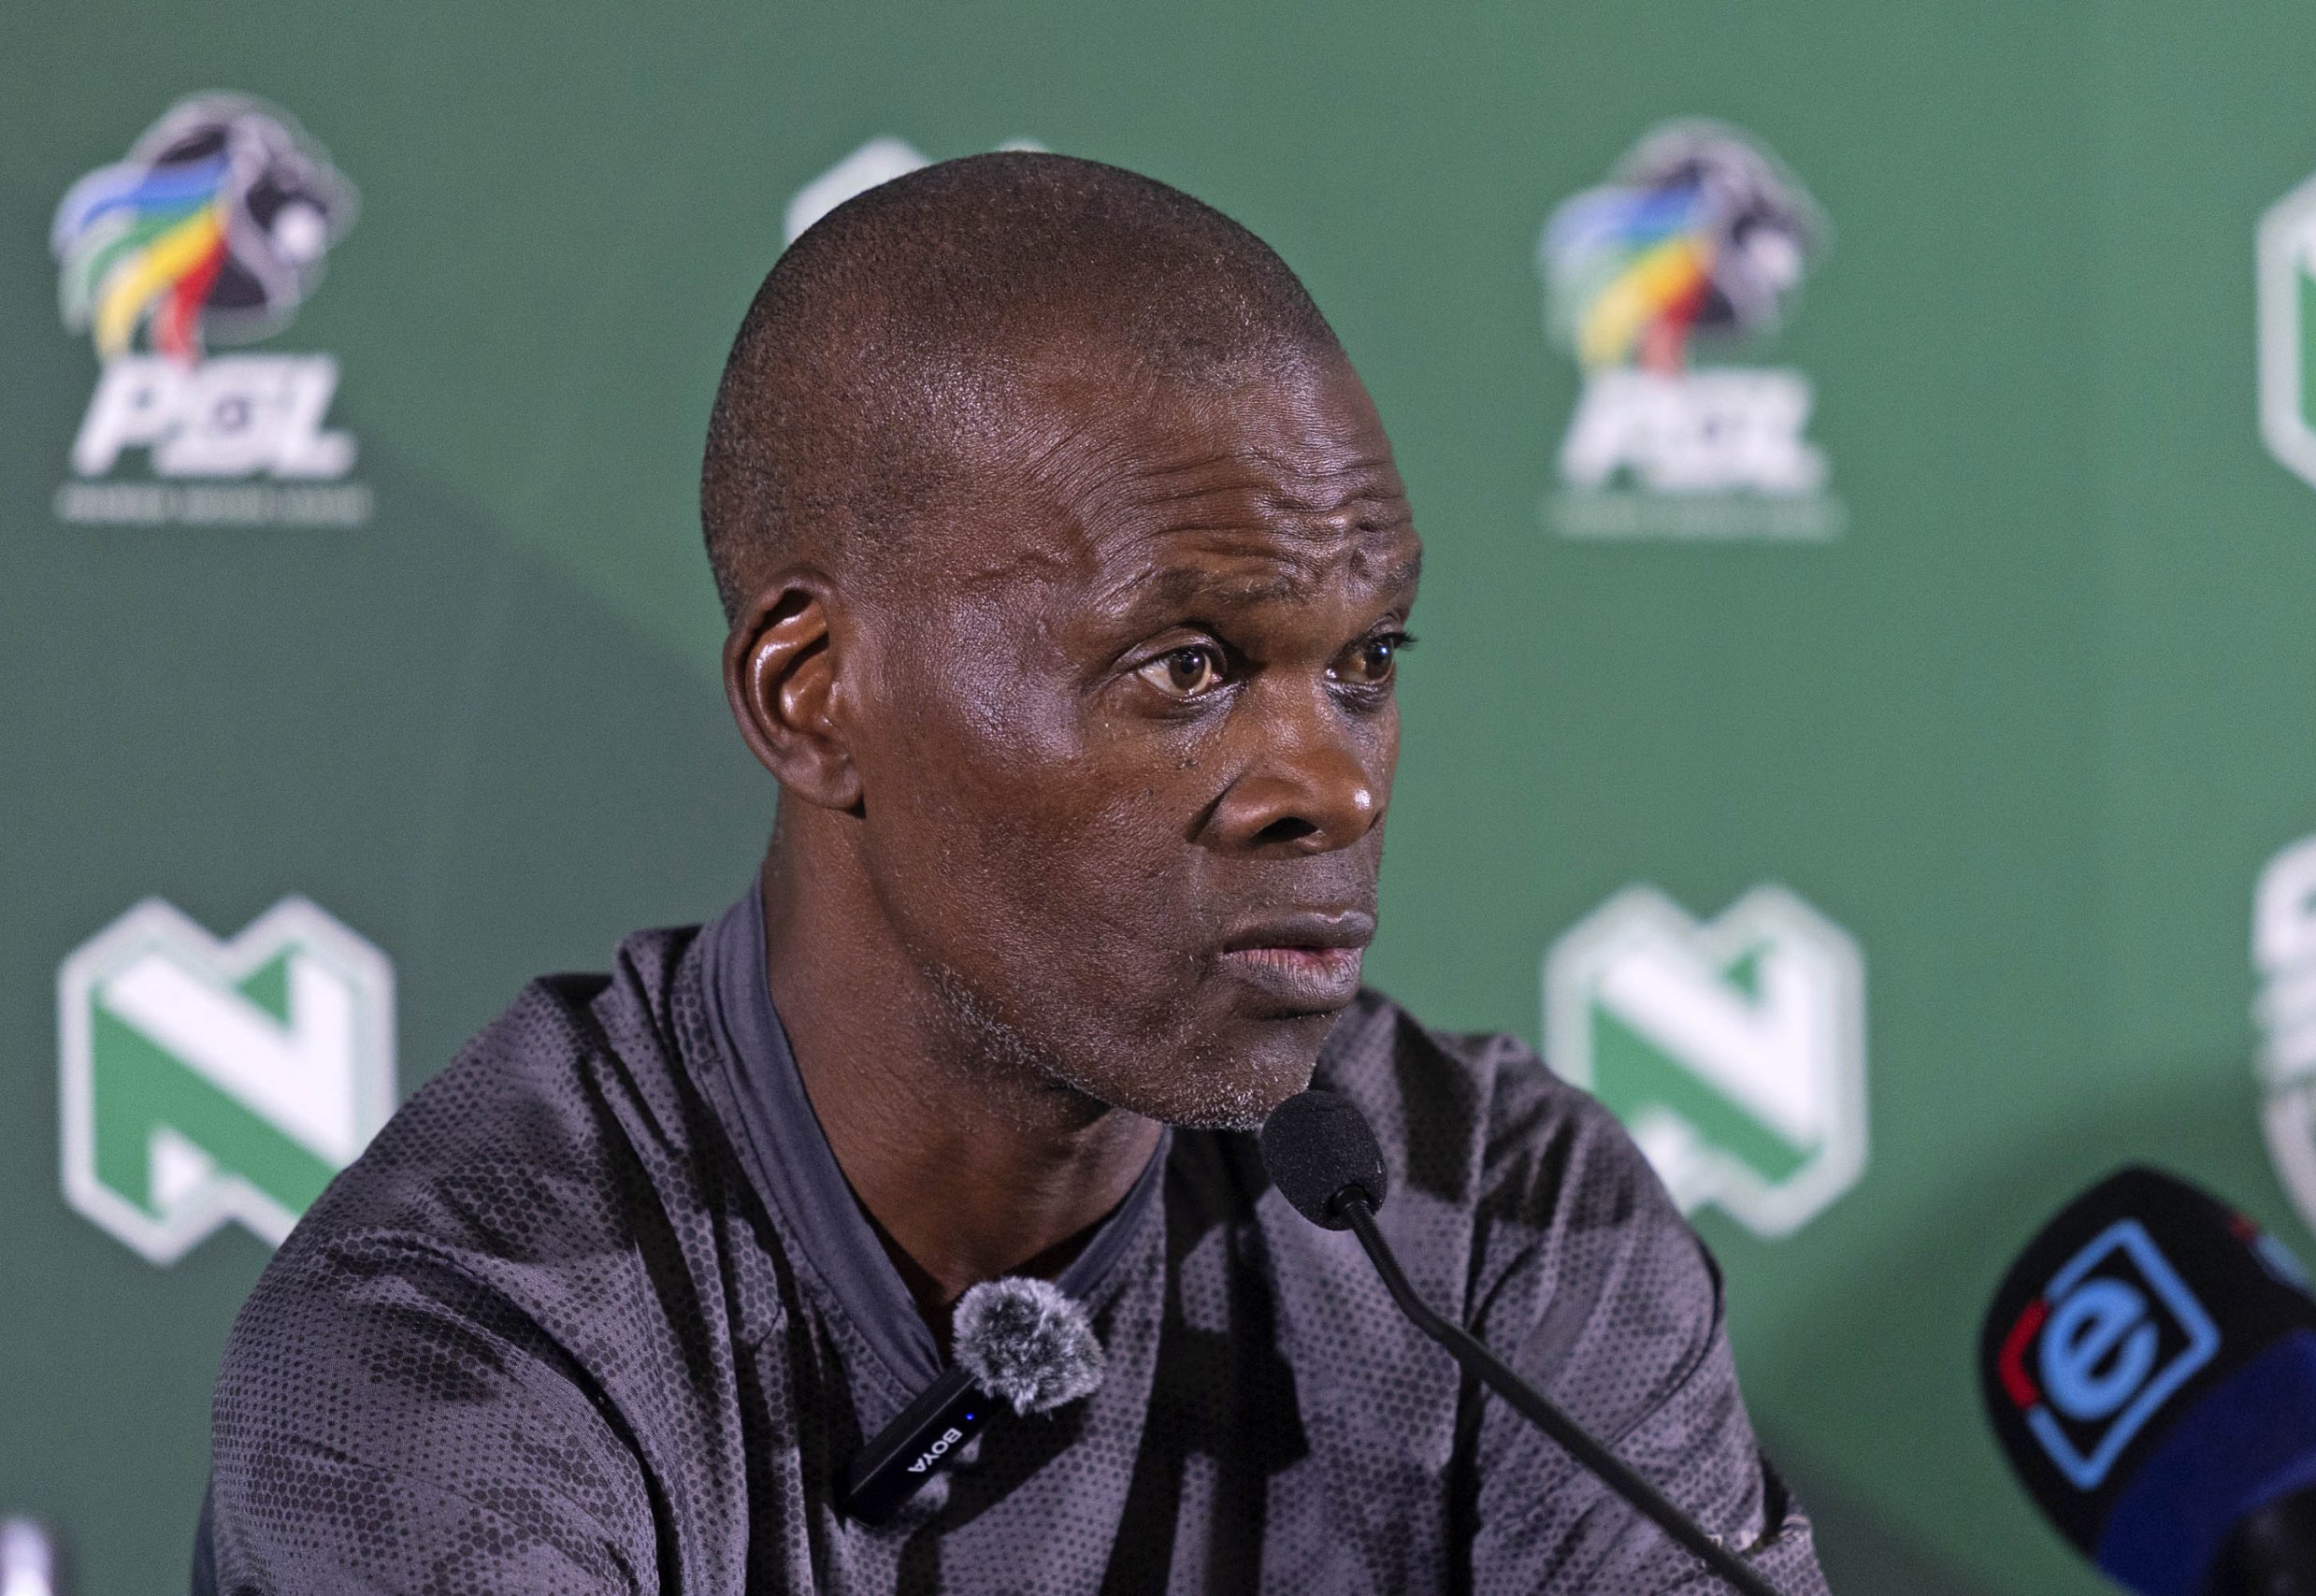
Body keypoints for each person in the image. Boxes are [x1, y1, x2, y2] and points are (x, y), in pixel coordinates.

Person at [198, 152, 1829, 1595]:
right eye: (1187, 667)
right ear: (813, 696)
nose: (1331, 784)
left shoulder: (1493, 1223)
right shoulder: (461, 1335)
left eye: (1368, 660)